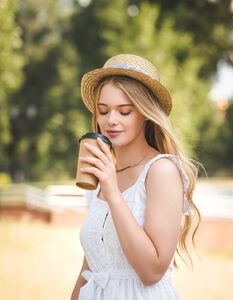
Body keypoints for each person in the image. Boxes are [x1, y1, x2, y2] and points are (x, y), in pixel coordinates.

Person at [70, 54, 200, 300]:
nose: (111, 121)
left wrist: (113, 194)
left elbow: (152, 271)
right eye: (103, 111)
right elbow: (91, 266)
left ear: (145, 114)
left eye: (125, 111)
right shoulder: (100, 174)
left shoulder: (161, 172)